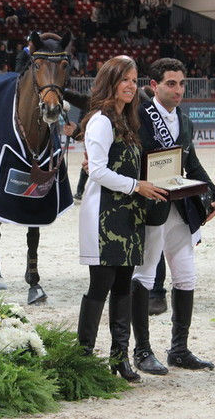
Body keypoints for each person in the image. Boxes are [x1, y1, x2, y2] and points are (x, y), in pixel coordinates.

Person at [77, 56, 168, 383]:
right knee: (100, 286)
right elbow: (98, 171)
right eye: (124, 80)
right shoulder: (101, 120)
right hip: (104, 217)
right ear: (111, 81)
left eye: (134, 80)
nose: (131, 85)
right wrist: (136, 186)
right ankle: (83, 357)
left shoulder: (127, 121)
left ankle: (120, 358)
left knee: (123, 288)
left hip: (128, 216)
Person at [131, 57, 215, 375]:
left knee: (186, 277)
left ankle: (179, 350)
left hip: (179, 209)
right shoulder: (139, 116)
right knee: (143, 277)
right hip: (150, 208)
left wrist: (214, 193)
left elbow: (192, 162)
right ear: (154, 85)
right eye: (171, 83)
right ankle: (141, 350)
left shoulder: (185, 120)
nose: (178, 89)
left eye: (182, 83)